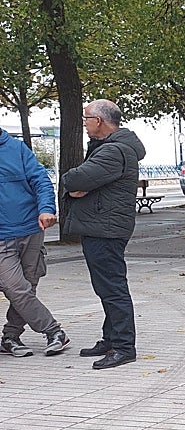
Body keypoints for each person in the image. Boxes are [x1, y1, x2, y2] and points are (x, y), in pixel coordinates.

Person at [60, 100, 145, 370]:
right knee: (106, 287)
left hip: (105, 229)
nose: (83, 123)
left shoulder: (113, 151)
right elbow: (81, 184)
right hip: (102, 226)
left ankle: (123, 347)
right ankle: (111, 339)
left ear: (99, 120)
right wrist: (79, 188)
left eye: (86, 118)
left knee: (112, 288)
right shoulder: (110, 148)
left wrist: (75, 186)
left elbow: (73, 180)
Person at [0, 127, 70, 357]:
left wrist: (47, 209)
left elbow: (40, 179)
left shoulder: (16, 148)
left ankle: (10, 337)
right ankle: (53, 330)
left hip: (31, 229)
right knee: (16, 289)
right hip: (2, 237)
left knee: (28, 286)